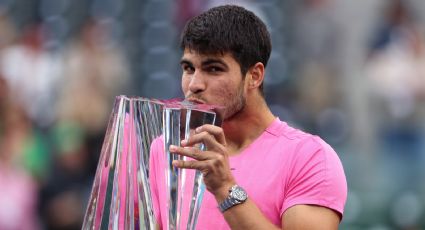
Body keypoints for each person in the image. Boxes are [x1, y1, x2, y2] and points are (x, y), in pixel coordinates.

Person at [149, 5, 347, 229]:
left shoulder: (310, 158)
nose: (194, 85)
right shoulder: (169, 150)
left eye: (213, 69)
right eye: (188, 68)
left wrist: (225, 188)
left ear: (254, 76)